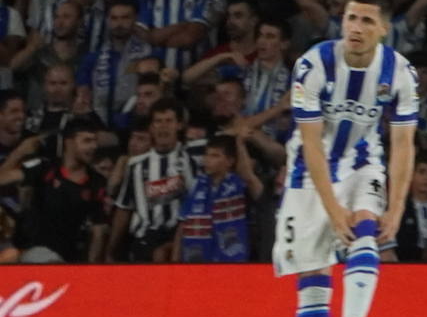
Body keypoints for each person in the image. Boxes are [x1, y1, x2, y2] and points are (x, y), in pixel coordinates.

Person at [277, 0, 419, 317]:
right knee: (313, 276)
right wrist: (330, 207)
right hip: (309, 174)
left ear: (384, 29)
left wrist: (396, 206)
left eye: (366, 20)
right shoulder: (313, 64)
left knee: (366, 225)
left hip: (363, 162)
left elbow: (403, 143)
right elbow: (312, 142)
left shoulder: (401, 73)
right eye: (351, 18)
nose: (355, 28)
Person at [0, 117, 106, 263]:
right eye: (87, 141)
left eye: (95, 141)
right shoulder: (44, 168)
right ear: (69, 142)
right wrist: (20, 152)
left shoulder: (97, 182)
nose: (93, 146)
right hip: (34, 251)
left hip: (72, 259)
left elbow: (98, 230)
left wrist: (93, 269)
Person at [108, 98, 202, 262]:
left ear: (179, 125)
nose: (163, 126)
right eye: (158, 121)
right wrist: (111, 250)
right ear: (151, 127)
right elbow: (124, 208)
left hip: (178, 239)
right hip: (144, 239)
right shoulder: (136, 166)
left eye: (168, 121)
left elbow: (197, 208)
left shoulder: (191, 163)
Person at [174, 133, 262, 262]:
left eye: (214, 156)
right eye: (206, 155)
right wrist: (174, 262)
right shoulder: (197, 184)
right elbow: (183, 224)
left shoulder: (239, 184)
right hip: (196, 261)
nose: (207, 160)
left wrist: (240, 143)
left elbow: (248, 175)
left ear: (230, 161)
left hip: (231, 261)